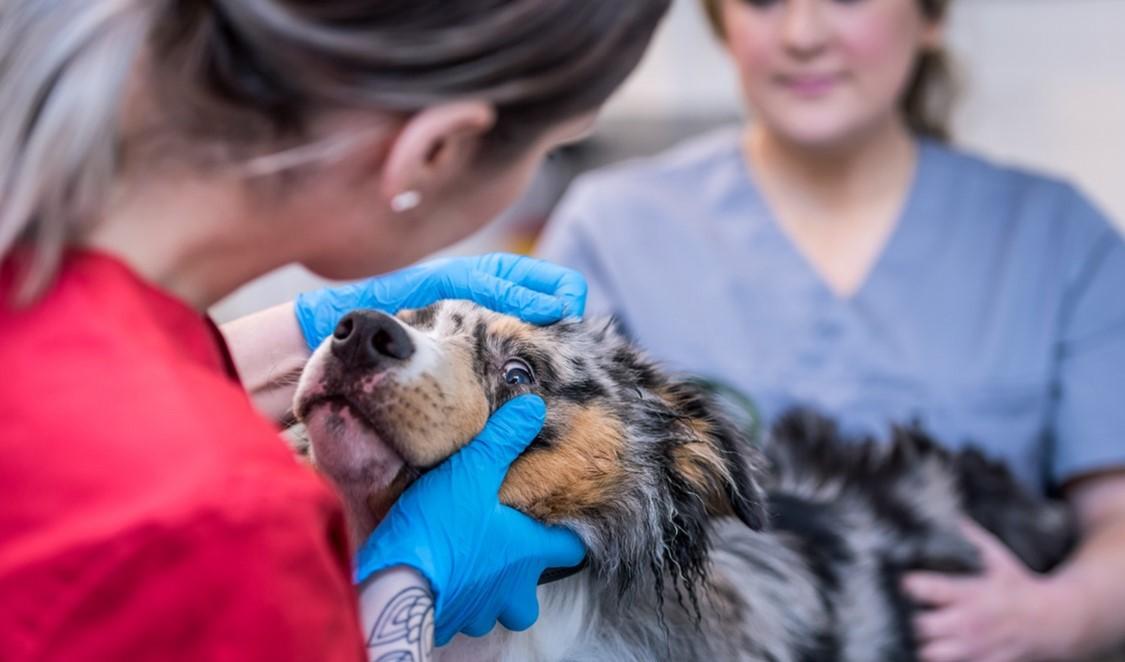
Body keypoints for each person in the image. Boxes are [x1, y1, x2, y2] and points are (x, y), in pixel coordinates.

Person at [0, 1, 669, 660]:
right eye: (549, 148)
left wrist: (299, 336)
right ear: (433, 151)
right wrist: (400, 594)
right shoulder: (231, 523)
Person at [537, 0, 1125, 660]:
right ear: (720, 22)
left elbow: (1116, 515)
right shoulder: (613, 229)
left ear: (929, 18)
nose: (801, 35)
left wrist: (1059, 617)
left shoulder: (1056, 237)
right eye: (761, 2)